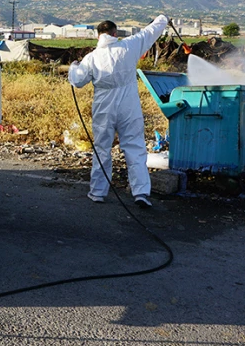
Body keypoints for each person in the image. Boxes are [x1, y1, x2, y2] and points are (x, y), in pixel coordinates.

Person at [68, 14, 169, 207]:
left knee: (102, 148)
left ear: (98, 36)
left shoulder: (92, 57)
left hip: (104, 106)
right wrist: (162, 19)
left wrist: (74, 67)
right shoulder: (129, 46)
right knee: (135, 147)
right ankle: (140, 193)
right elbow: (150, 32)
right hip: (129, 105)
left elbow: (78, 81)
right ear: (115, 33)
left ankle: (98, 192)